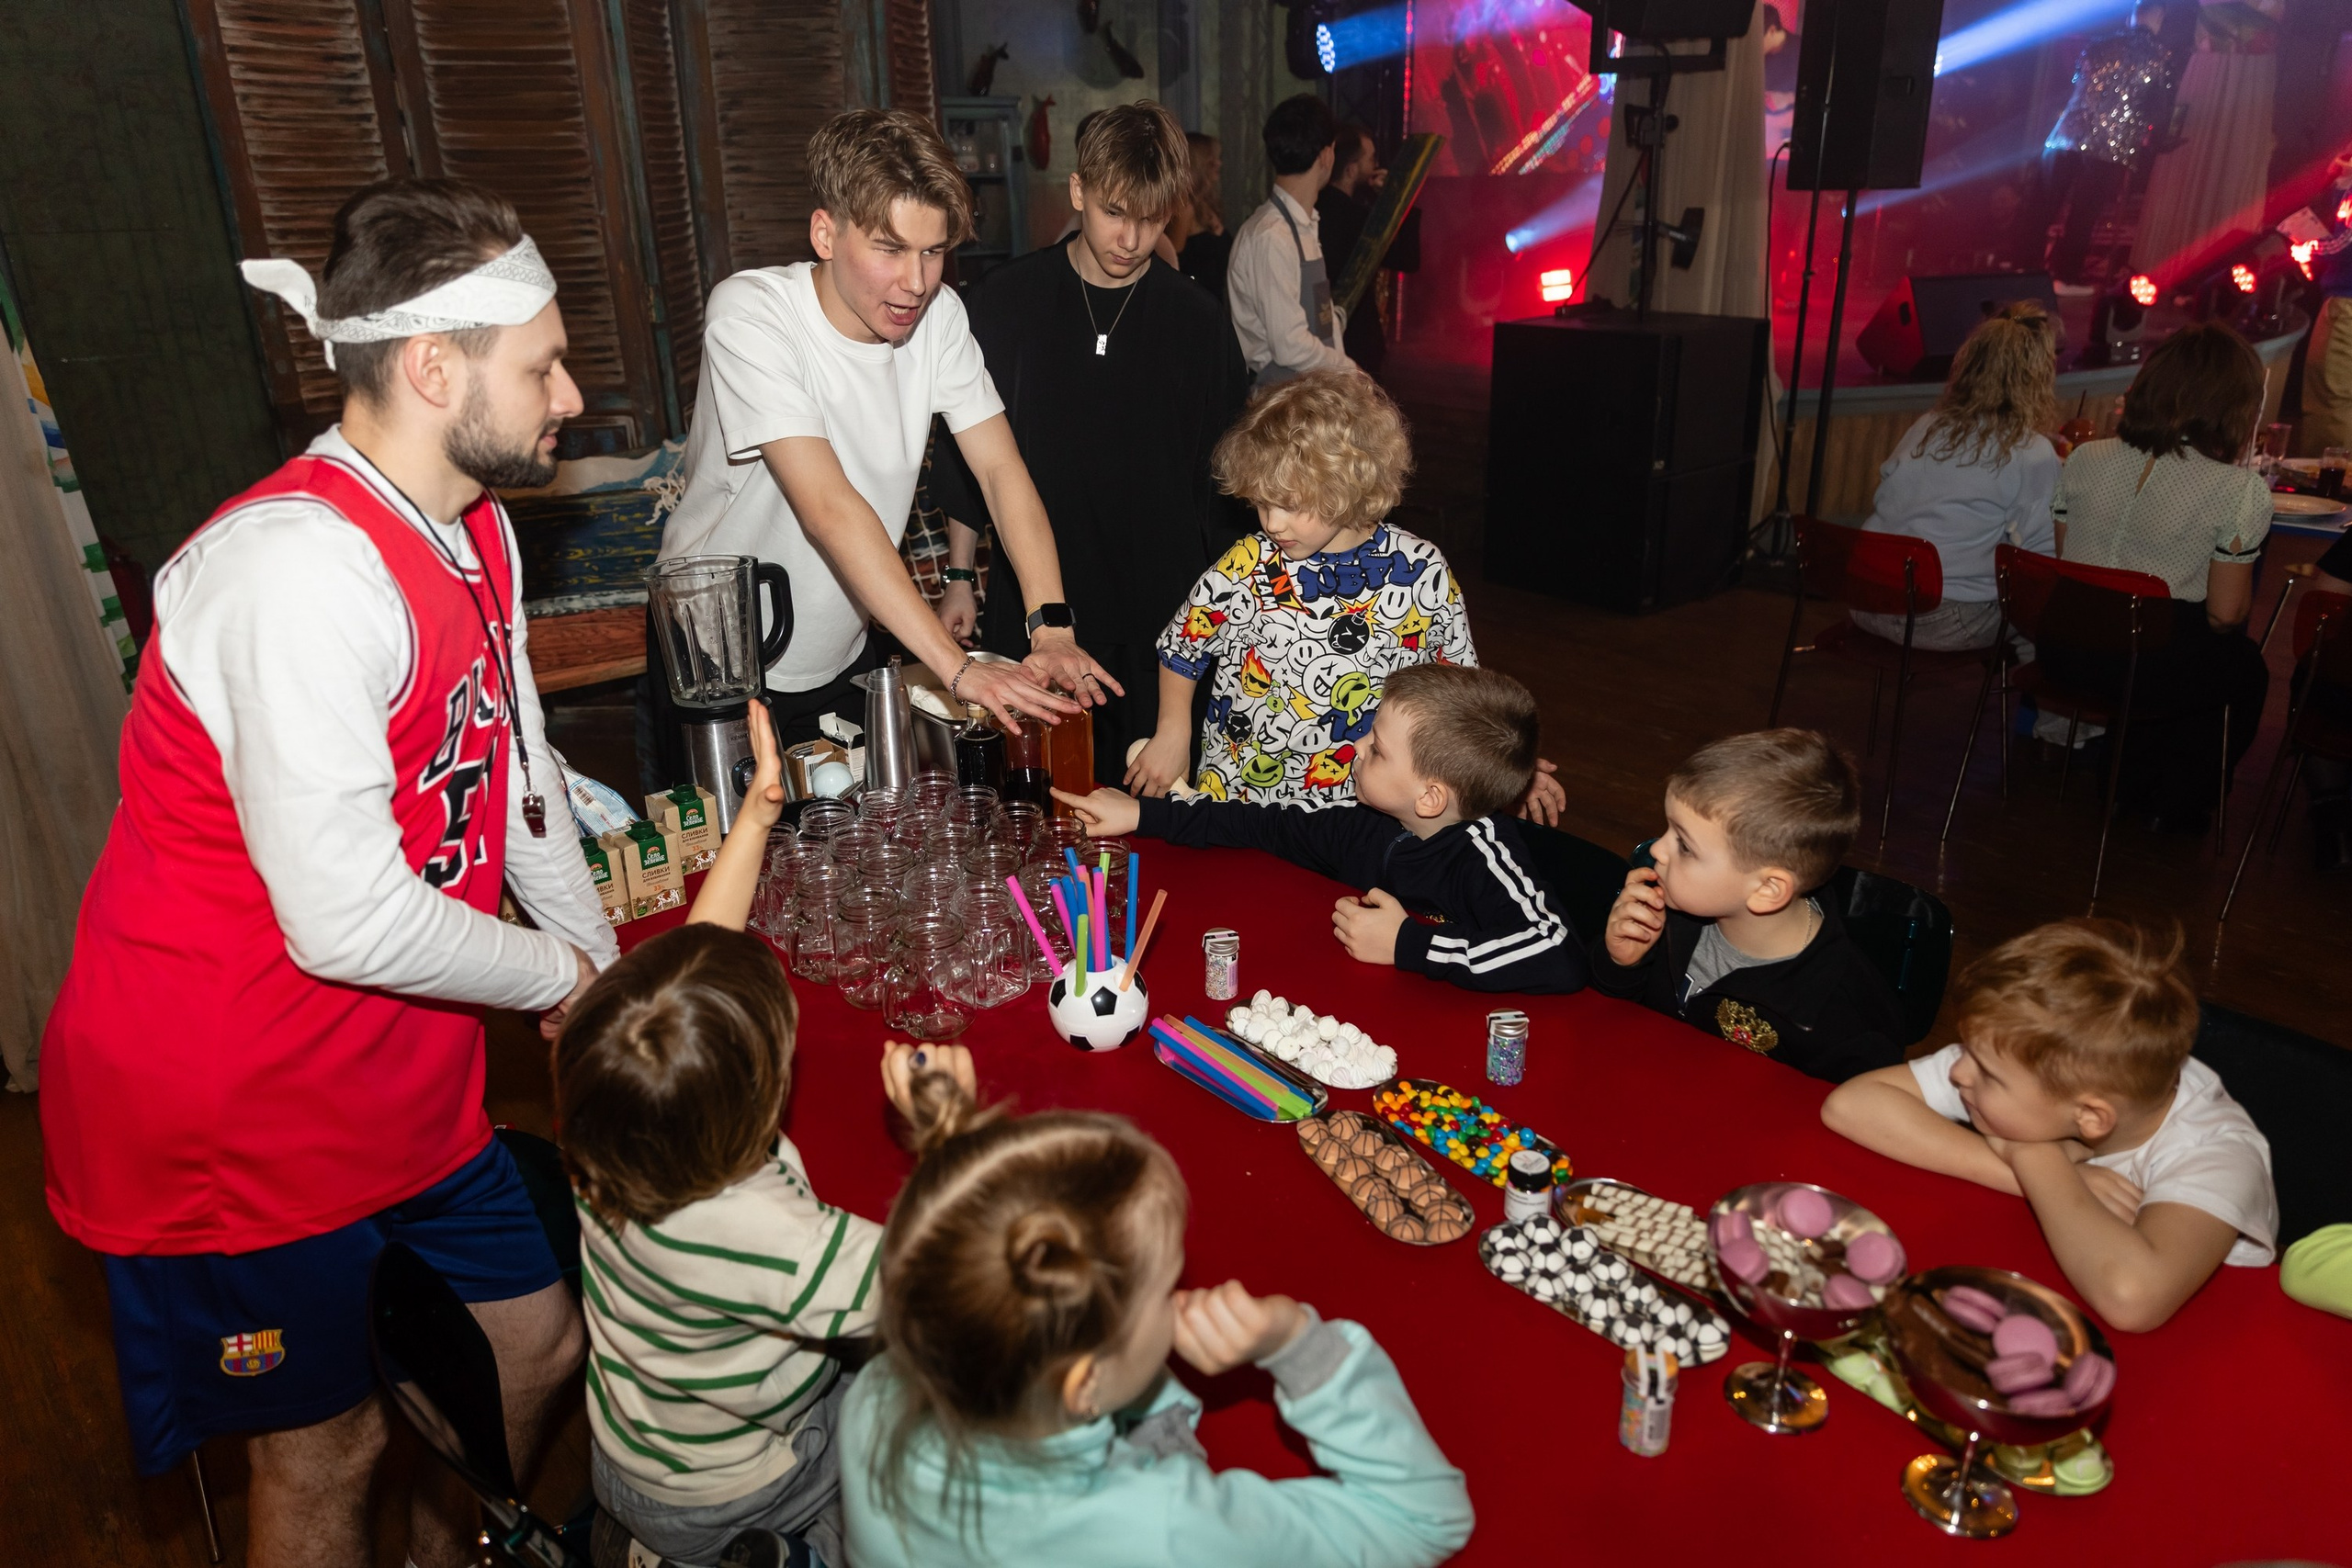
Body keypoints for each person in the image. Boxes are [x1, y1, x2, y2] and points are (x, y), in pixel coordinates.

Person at [40, 177, 614, 1568]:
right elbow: (348, 913)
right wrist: (560, 973)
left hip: (393, 1063)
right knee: (322, 1447)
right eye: (542, 363)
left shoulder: (470, 522)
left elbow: (518, 766)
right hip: (230, 1110)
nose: (575, 395)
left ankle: (436, 1541)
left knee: (536, 1340)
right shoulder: (293, 572)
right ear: (432, 368)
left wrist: (606, 974)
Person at [555, 701, 972, 1567]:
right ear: (757, 1102)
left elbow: (688, 974)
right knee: (906, 1432)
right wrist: (948, 1137)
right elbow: (936, 1283)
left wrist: (755, 818)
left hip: (639, 1441)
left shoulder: (610, 1131)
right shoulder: (773, 1238)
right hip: (740, 1482)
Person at [835, 1074, 1475, 1567]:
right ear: (1083, 1385)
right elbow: (1425, 1517)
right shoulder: (1165, 1530)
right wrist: (1299, 1345)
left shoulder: (875, 1394)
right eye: (1168, 1286)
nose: (1180, 1299)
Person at [653, 107, 1120, 766]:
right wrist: (956, 669)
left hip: (845, 644)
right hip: (717, 655)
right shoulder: (752, 315)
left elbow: (1000, 471)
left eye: (933, 252)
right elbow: (828, 507)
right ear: (825, 232)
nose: (917, 282)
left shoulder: (940, 319)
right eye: (890, 248)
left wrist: (1050, 625)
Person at [928, 101, 1251, 786]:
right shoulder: (1004, 302)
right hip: (1037, 602)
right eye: (1114, 212)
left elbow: (1225, 491)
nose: (1131, 238)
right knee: (1030, 798)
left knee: (1152, 810)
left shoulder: (1198, 322)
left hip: (1159, 616)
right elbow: (968, 460)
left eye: (1152, 218)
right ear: (1079, 192)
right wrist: (960, 577)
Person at [1823, 919, 2278, 1333]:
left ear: (2091, 1118)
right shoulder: (2021, 1053)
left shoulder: (2218, 1154)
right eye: (1965, 1051)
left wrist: (2033, 1154)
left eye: (1986, 1073)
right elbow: (1852, 1105)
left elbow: (2133, 1300)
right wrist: (2030, 1170)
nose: (1960, 1074)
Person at [1056, 662, 1589, 995]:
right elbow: (1263, 825)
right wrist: (1143, 815)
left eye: (1377, 750)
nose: (1357, 750)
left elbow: (1557, 954)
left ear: (1430, 797)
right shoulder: (1369, 824)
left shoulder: (1485, 856)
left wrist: (1410, 944)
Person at [1139, 369, 1468, 809]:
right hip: (1238, 800)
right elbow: (1182, 647)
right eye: (1260, 502)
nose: (1273, 523)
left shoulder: (1422, 572)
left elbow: (1458, 691)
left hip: (1354, 811)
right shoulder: (1248, 564)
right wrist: (1172, 731)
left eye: (1291, 505)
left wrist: (1489, 763)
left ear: (1347, 484)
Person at [2046, 321, 2270, 831]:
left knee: (2175, 642)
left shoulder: (2084, 457)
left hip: (2064, 650)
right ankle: (2174, 803)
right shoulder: (2238, 489)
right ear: (2236, 405)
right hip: (2143, 666)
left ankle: (2130, 782)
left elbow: (2075, 568)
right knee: (2239, 663)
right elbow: (2225, 614)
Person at [1593, 729, 1905, 1083]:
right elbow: (1608, 1027)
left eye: (1685, 846)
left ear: (1768, 890)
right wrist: (1620, 964)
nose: (1656, 851)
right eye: (1668, 830)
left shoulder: (1839, 1012)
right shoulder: (1665, 907)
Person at [1850, 302, 2061, 651]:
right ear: (2038, 378)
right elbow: (2043, 552)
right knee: (2046, 616)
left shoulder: (1927, 425)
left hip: (1866, 600)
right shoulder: (2032, 451)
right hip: (1935, 621)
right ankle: (2035, 706)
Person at [2018, 0, 2194, 289]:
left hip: (2066, 136)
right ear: (2160, 18)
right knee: (2083, 215)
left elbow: (2077, 83)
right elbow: (2159, 111)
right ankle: (2064, 278)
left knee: (2042, 207)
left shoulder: (2097, 45)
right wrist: (2157, 141)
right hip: (2110, 148)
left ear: (2130, 18)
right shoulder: (2160, 57)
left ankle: (2022, 270)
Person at [1228, 94, 1356, 384]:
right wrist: (1349, 370)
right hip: (1282, 404)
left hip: (1311, 392)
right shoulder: (1271, 235)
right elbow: (1290, 346)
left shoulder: (1304, 225)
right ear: (1326, 155)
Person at [1315, 121, 1421, 377]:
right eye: (1371, 158)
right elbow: (1407, 259)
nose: (1376, 163)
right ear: (1351, 170)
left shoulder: (1313, 208)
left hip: (1319, 333)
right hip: (1357, 337)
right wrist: (1400, 201)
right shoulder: (1359, 220)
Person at [2283, 147, 2352, 455]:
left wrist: (2306, 245)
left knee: (2330, 395)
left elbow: (2344, 245)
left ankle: (2328, 484)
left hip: (2348, 304)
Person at [1173, 130, 1232, 301]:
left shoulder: (1208, 205)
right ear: (1197, 163)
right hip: (1194, 304)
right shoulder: (1185, 209)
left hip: (1215, 302)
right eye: (1212, 158)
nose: (1219, 163)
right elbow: (1173, 265)